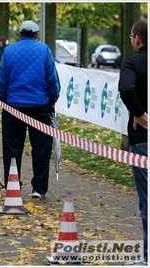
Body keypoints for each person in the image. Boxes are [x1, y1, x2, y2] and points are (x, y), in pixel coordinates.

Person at [0, 20, 60, 197]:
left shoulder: (8, 51)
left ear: (19, 34)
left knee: (12, 148)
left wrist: (3, 100)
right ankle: (38, 188)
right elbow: (52, 79)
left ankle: (12, 184)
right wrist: (52, 100)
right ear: (37, 35)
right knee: (41, 148)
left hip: (13, 107)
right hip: (39, 107)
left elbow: (1, 81)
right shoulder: (44, 50)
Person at [118, 19, 147, 266]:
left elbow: (126, 90)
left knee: (147, 200)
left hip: (143, 141)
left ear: (137, 39)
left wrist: (139, 113)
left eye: (130, 36)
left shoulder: (132, 63)